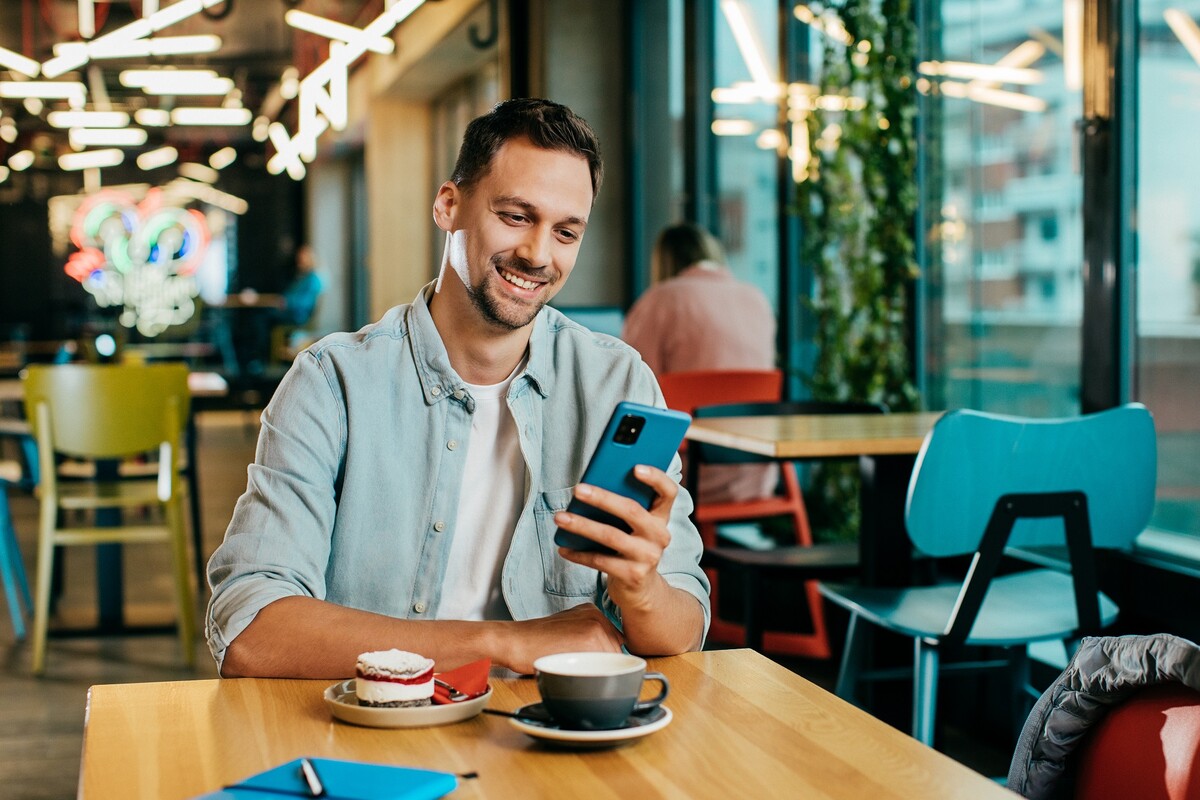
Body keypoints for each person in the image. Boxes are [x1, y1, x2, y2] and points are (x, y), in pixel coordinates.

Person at [206, 99, 710, 679]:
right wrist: (502, 643)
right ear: (449, 205)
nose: (538, 254)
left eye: (566, 231)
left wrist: (642, 588)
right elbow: (250, 630)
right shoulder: (332, 383)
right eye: (517, 216)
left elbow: (685, 628)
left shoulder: (615, 384)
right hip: (379, 736)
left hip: (552, 733)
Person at [622, 223, 778, 505]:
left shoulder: (661, 299)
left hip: (684, 473)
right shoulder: (756, 298)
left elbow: (629, 385)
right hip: (757, 471)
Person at [621, 223, 776, 375]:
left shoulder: (660, 299)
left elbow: (632, 374)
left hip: (686, 400)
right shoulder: (756, 298)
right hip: (755, 401)